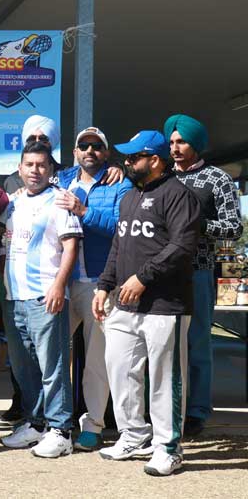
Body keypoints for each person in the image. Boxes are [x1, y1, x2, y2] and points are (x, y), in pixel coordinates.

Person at [94, 130, 201, 476]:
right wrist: (104, 285)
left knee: (165, 379)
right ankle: (133, 435)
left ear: (155, 160)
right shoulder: (129, 197)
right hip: (124, 304)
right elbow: (118, 245)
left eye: (133, 157)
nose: (126, 162)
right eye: (126, 157)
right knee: (120, 370)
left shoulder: (178, 194)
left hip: (165, 304)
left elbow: (182, 246)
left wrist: (142, 278)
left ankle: (168, 448)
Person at [0, 139, 82, 458]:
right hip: (14, 296)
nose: (35, 170)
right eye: (29, 165)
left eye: (42, 165)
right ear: (19, 169)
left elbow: (71, 246)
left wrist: (59, 286)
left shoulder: (59, 200)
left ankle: (61, 431)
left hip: (45, 295)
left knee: (54, 366)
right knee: (24, 367)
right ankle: (36, 424)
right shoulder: (12, 202)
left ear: (50, 170)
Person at [164, 114, 243, 438]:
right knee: (163, 348)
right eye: (172, 142)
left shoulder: (217, 179)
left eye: (181, 141)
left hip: (198, 272)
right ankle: (167, 410)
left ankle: (197, 411)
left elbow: (234, 228)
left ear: (195, 143)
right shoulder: (162, 176)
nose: (175, 148)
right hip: (161, 276)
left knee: (197, 344)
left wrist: (199, 225)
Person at [55, 126, 132, 451]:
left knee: (97, 361)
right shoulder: (61, 180)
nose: (90, 151)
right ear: (75, 152)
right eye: (83, 146)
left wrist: (83, 211)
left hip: (100, 284)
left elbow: (122, 229)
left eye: (97, 146)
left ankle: (93, 425)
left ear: (106, 153)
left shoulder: (120, 184)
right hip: (63, 283)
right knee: (53, 357)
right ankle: (53, 423)